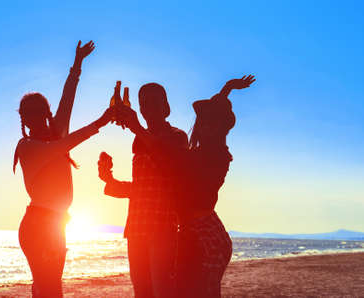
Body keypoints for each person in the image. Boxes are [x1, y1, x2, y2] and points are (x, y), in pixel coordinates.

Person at [116, 75, 255, 297]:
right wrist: (227, 89)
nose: (205, 125)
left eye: (213, 123)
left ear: (223, 128)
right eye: (203, 121)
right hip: (194, 232)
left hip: (203, 235)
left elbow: (167, 156)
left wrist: (136, 127)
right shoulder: (200, 151)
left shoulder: (212, 155)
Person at [13, 40, 114, 298]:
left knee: (46, 288)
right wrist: (101, 121)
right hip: (38, 225)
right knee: (50, 289)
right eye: (28, 114)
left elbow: (68, 97)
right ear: (23, 119)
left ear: (46, 112)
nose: (33, 118)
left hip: (55, 224)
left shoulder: (56, 132)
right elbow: (66, 144)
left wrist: (78, 63)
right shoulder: (28, 147)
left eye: (38, 112)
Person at [98, 82, 188, 298]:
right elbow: (141, 188)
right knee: (142, 293)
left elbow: (171, 170)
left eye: (153, 102)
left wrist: (136, 127)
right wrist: (108, 179)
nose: (147, 108)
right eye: (143, 103)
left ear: (165, 106)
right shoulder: (139, 139)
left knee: (162, 291)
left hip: (163, 227)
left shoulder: (177, 137)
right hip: (137, 227)